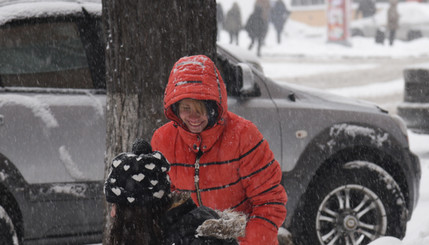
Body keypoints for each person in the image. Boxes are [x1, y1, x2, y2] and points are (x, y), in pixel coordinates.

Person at [151, 55, 287, 245]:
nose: (193, 117)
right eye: (186, 108)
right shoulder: (163, 139)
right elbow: (165, 201)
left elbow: (269, 202)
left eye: (200, 109)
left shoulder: (243, 135)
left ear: (214, 107)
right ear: (175, 108)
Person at [105, 139, 245, 245]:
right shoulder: (171, 232)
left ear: (137, 210)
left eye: (116, 205)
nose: (112, 213)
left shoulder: (190, 238)